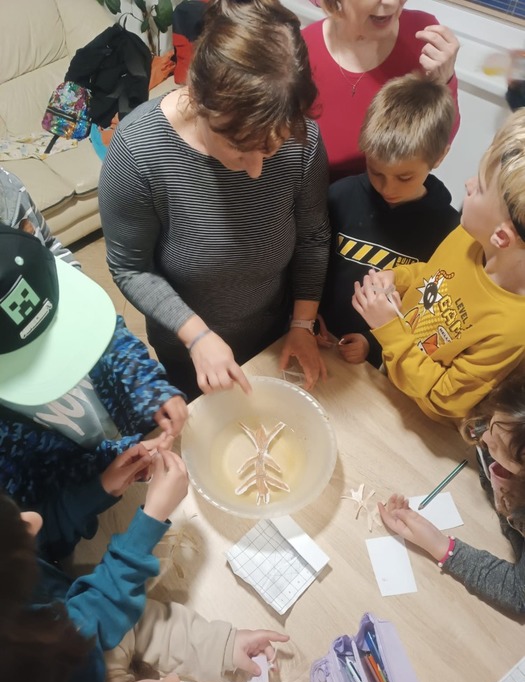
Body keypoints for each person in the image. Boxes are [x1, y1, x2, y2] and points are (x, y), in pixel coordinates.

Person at [99, 0, 331, 402]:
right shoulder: (139, 150)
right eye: (239, 148)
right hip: (187, 348)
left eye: (272, 148)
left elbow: (313, 237)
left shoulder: (302, 138)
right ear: (198, 98)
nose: (256, 170)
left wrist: (301, 324)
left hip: (273, 332)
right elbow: (130, 267)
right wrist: (197, 336)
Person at [0, 445, 289, 682]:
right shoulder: (60, 667)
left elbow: (126, 626)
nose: (33, 519)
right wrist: (150, 521)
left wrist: (100, 490)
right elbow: (100, 620)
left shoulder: (61, 648)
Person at [351, 108, 525, 424]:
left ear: (502, 236)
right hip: (387, 384)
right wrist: (398, 277)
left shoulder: (513, 328)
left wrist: (388, 328)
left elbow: (444, 399)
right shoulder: (469, 238)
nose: (468, 185)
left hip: (421, 423)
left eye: (479, 188)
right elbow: (434, 276)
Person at [0, 224, 187, 506]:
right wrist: (101, 478)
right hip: (94, 500)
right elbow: (39, 492)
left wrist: (149, 389)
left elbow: (113, 338)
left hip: (134, 447)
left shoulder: (40, 272)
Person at [319, 73, 460, 368]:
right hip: (317, 336)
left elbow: (426, 309)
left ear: (440, 156)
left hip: (380, 360)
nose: (388, 188)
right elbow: (313, 265)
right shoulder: (340, 196)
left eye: (404, 177)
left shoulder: (447, 230)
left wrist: (372, 343)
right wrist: (307, 318)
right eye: (376, 172)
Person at [379, 371, 525, 614]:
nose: (485, 438)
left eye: (499, 446)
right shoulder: (499, 434)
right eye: (492, 423)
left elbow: (518, 592)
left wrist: (439, 545)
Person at [302, 0, 460, 181]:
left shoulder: (424, 36)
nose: (392, 2)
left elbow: (438, 145)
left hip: (397, 195)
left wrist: (445, 81)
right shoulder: (302, 54)